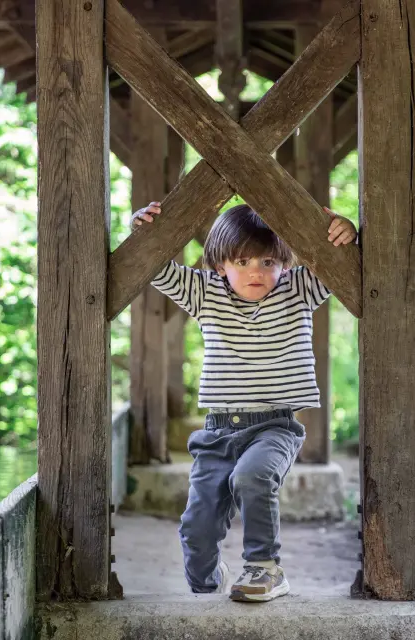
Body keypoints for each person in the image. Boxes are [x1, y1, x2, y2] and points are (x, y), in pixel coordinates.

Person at [131, 201, 357, 602]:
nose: (256, 270)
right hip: (218, 432)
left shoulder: (299, 289)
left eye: (268, 260)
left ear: (284, 263)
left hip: (275, 426)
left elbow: (344, 259)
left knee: (251, 476)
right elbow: (154, 265)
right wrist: (145, 228)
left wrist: (341, 229)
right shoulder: (204, 292)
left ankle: (265, 568)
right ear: (220, 265)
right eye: (243, 260)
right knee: (196, 529)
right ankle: (208, 579)